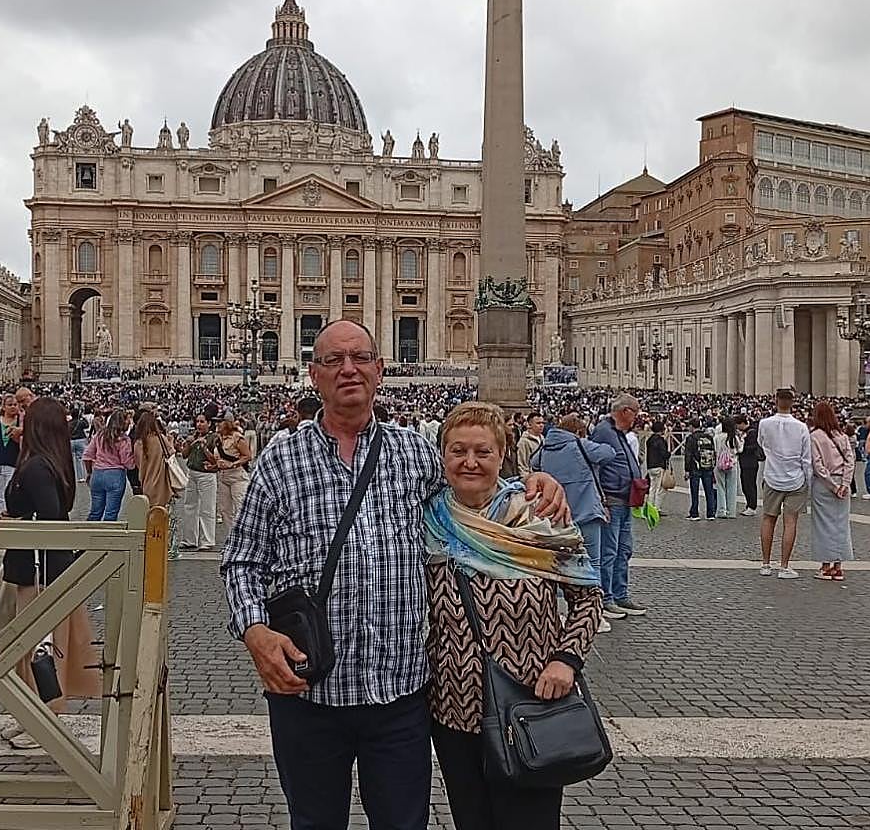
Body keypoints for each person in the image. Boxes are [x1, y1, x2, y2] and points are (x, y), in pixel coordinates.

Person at [221, 319, 566, 830]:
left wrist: (530, 481)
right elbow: (241, 561)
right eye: (333, 360)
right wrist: (254, 630)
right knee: (314, 822)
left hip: (399, 697)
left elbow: (474, 487)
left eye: (360, 357)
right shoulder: (280, 459)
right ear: (313, 375)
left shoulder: (416, 453)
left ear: (380, 371)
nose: (348, 369)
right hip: (311, 691)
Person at [426, 402, 603, 829]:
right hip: (453, 704)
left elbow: (587, 598)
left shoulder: (537, 515)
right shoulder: (427, 518)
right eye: (458, 451)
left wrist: (567, 660)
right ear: (442, 457)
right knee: (472, 821)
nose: (470, 462)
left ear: (502, 455)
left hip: (531, 697)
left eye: (482, 452)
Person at [0, 397, 102, 749]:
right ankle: (31, 712)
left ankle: (46, 716)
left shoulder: (40, 467)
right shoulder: (44, 463)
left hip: (40, 566)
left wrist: (16, 519)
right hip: (35, 563)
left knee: (43, 646)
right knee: (29, 645)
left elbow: (51, 517)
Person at [531, 412, 615, 632]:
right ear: (577, 431)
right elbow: (609, 453)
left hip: (556, 516)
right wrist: (589, 438)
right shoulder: (580, 445)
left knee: (558, 565)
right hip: (586, 512)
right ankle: (592, 614)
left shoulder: (545, 448)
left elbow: (533, 463)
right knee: (592, 562)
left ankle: (557, 612)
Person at [588, 394, 647, 619]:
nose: (637, 418)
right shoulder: (604, 431)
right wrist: (600, 498)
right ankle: (606, 597)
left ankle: (620, 594)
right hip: (612, 499)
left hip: (625, 498)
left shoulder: (617, 433)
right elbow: (597, 466)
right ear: (624, 411)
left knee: (624, 550)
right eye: (635, 412)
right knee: (609, 551)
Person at [757, 388, 812, 580]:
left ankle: (765, 564)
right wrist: (809, 481)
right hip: (795, 479)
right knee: (790, 523)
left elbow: (762, 444)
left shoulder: (764, 424)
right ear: (793, 402)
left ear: (775, 400)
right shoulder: (801, 427)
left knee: (768, 519)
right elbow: (806, 459)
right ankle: (784, 566)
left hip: (772, 476)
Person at [808, 401, 855, 582]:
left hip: (824, 485)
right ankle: (839, 567)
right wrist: (844, 484)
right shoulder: (842, 435)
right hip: (842, 483)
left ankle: (826, 566)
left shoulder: (815, 436)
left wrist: (832, 486)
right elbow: (850, 462)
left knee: (823, 525)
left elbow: (818, 466)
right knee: (841, 525)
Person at [132, 408, 182, 558]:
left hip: (147, 484)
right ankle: (169, 549)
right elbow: (172, 453)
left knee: (151, 517)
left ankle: (152, 543)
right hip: (163, 485)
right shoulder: (160, 440)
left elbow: (138, 465)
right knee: (168, 518)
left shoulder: (138, 444)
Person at [82, 407, 135, 521]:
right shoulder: (124, 440)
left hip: (97, 474)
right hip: (115, 475)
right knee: (111, 514)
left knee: (95, 512)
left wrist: (89, 473)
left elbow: (87, 455)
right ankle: (106, 537)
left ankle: (87, 535)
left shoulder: (99, 435)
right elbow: (127, 462)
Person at [180, 413, 218, 552]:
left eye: (202, 422)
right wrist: (189, 443)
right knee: (189, 506)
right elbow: (184, 455)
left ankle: (207, 540)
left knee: (206, 508)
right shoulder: (194, 436)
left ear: (209, 423)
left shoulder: (213, 438)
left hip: (206, 475)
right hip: (192, 472)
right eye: (197, 421)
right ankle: (189, 539)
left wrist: (204, 447)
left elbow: (215, 459)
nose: (199, 424)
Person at [214, 418, 252, 526]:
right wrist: (214, 465)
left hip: (237, 476)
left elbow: (247, 456)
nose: (217, 425)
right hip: (223, 476)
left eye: (220, 423)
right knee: (225, 509)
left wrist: (233, 464)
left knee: (240, 506)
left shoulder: (237, 437)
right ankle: (230, 536)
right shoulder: (218, 440)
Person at [683, 424, 717, 522]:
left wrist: (687, 469)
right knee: (709, 491)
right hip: (708, 466)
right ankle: (711, 513)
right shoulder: (708, 437)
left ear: (691, 427)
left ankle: (694, 513)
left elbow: (688, 454)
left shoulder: (691, 438)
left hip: (695, 467)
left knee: (694, 491)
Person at [713, 417, 744, 519]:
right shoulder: (734, 437)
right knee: (732, 487)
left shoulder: (717, 437)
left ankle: (721, 510)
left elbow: (714, 449)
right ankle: (731, 511)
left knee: (720, 487)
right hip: (732, 464)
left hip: (719, 464)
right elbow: (740, 449)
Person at [641, 420, 670, 515]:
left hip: (650, 466)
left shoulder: (650, 439)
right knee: (659, 488)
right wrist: (668, 453)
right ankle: (656, 508)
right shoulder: (660, 440)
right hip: (659, 465)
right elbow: (664, 454)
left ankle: (649, 506)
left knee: (652, 488)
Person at [739, 418, 763, 516]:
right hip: (745, 462)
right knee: (745, 484)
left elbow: (753, 446)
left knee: (750, 484)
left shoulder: (752, 432)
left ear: (742, 423)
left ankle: (752, 506)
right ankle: (749, 504)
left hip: (750, 462)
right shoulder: (745, 432)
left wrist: (742, 447)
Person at [516, 412, 545, 480]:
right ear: (530, 425)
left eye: (542, 423)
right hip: (532, 478)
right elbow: (522, 464)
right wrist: (527, 479)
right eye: (538, 423)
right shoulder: (524, 442)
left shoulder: (543, 439)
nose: (541, 425)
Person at [69, 404, 90, 482]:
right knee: (79, 459)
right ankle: (80, 477)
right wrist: (82, 417)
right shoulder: (80, 422)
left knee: (69, 460)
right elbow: (87, 425)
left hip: (71, 441)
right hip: (80, 440)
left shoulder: (69, 423)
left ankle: (70, 477)